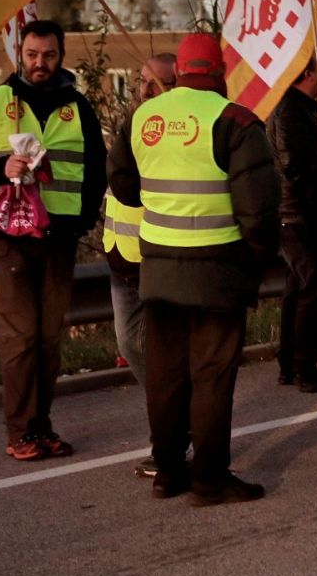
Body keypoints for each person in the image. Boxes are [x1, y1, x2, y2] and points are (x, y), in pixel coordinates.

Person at [107, 33, 279, 505]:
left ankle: (168, 473)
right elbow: (259, 210)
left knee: (165, 377)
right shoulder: (236, 121)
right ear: (220, 71)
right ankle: (209, 479)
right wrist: (257, 260)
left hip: (158, 269)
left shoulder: (142, 117)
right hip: (218, 271)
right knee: (211, 376)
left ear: (179, 71)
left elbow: (122, 184)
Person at [0, 19, 107, 462]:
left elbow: (97, 169)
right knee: (20, 337)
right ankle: (21, 432)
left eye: (49, 55)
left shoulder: (78, 107)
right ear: (20, 54)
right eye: (33, 55)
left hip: (58, 237)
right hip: (7, 237)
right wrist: (1, 168)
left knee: (48, 338)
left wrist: (82, 221)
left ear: (61, 56)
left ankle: (41, 427)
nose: (41, 63)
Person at [102, 53, 174, 478]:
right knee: (131, 346)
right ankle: (172, 420)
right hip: (121, 257)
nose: (145, 90)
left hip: (157, 259)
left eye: (155, 83)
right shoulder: (128, 125)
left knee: (162, 354)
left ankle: (171, 436)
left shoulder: (173, 134)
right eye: (141, 81)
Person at [267, 58, 317, 393]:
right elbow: (294, 164)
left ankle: (291, 364)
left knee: (297, 290)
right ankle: (303, 367)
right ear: (308, 74)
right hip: (300, 214)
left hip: (297, 212)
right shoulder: (293, 111)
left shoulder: (301, 108)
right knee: (313, 289)